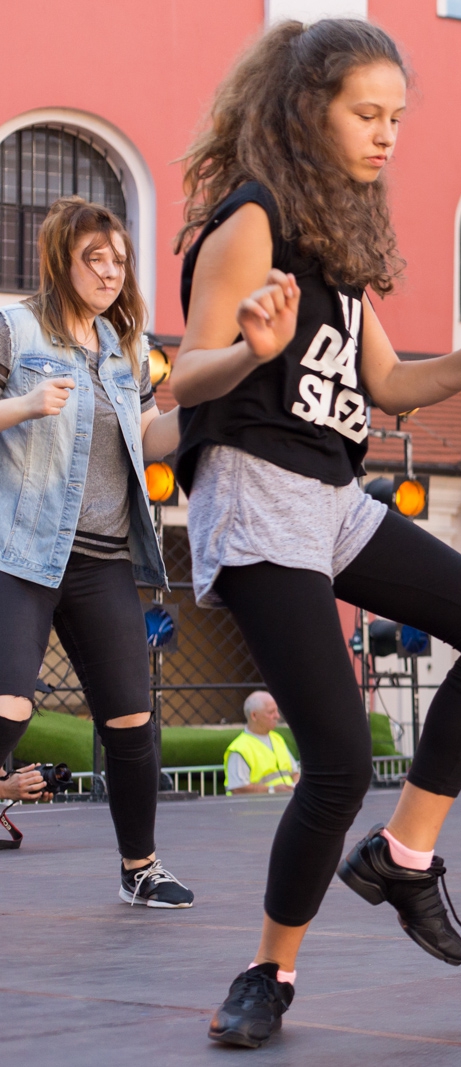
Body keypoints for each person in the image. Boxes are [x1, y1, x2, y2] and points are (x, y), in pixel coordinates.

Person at [171, 21, 461, 1047]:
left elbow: (387, 383)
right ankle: (268, 969)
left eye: (396, 119)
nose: (386, 136)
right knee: (337, 760)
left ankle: (405, 856)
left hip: (332, 494)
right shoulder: (250, 222)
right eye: (366, 114)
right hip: (254, 492)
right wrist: (247, 349)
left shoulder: (333, 240)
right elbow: (183, 376)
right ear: (308, 109)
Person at [0, 197, 192, 904]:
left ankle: (140, 867)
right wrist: (22, 405)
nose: (111, 272)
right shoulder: (14, 328)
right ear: (61, 260)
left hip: (103, 557)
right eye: (96, 259)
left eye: (119, 260)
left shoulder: (127, 348)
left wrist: (198, 415)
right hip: (20, 550)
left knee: (131, 720)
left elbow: (147, 435)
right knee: (9, 708)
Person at [224, 692, 301, 795]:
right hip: (258, 808)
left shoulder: (277, 739)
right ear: (254, 716)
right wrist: (272, 790)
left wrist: (297, 786)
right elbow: (238, 788)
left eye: (276, 711)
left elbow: (295, 773)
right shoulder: (239, 749)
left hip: (283, 804)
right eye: (271, 712)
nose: (277, 716)